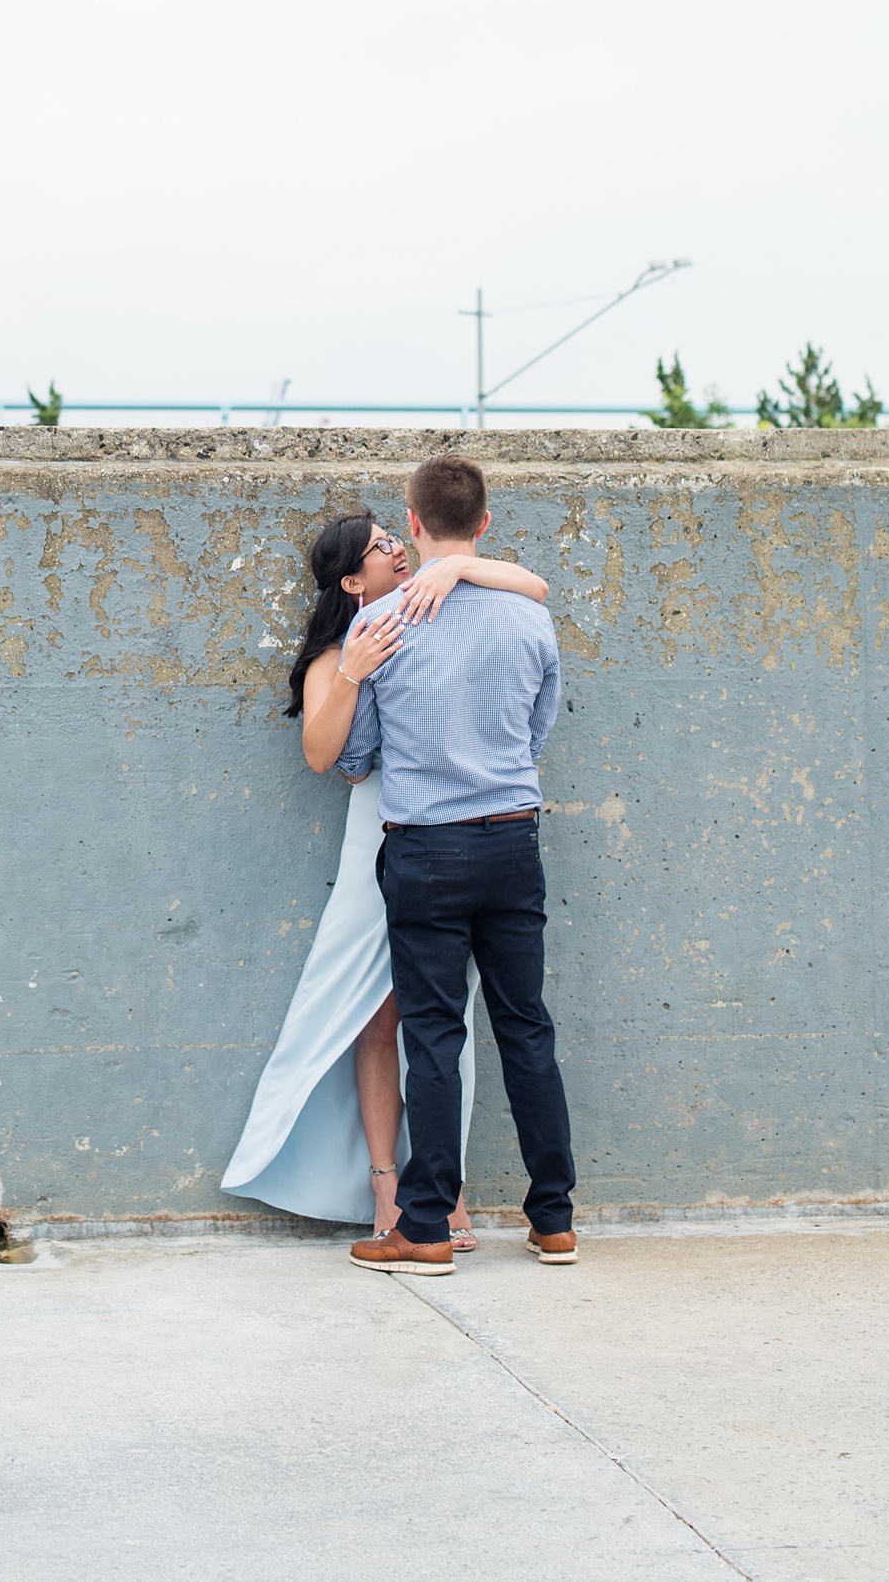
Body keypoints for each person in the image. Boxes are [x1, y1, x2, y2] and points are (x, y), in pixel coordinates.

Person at [221, 507, 549, 1239]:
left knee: (444, 1017)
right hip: (382, 835)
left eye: (396, 537)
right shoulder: (339, 649)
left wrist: (458, 564)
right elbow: (324, 756)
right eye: (378, 548)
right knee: (380, 1016)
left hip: (440, 836)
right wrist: (352, 671)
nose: (397, 550)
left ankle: (445, 1189)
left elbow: (532, 584)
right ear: (351, 578)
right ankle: (386, 1186)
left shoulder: (441, 603)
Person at [341, 453, 577, 1277]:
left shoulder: (378, 622)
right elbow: (538, 726)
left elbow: (357, 756)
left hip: (426, 848)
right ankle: (554, 1222)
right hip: (513, 838)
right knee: (526, 1026)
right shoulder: (528, 617)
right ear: (483, 525)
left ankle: (427, 1227)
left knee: (433, 1035)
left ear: (410, 523)